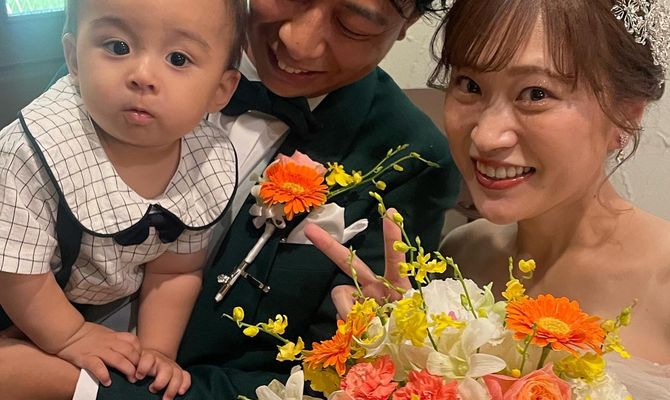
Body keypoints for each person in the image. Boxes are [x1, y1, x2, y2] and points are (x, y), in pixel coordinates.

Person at [0, 0, 461, 399]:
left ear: (406, 22)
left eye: (353, 24)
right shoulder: (125, 35)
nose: (298, 42)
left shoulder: (411, 158)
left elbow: (330, 380)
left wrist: (69, 384)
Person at [311, 0, 670, 398]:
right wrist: (395, 349)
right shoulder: (464, 254)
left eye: (536, 93)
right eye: (470, 85)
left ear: (627, 115)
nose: (485, 136)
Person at [0, 0, 244, 398]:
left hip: (83, 308)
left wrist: (156, 352)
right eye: (118, 47)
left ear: (221, 89)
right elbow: (16, 274)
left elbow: (174, 271)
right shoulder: (33, 150)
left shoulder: (204, 160)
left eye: (178, 58)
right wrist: (70, 335)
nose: (143, 76)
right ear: (73, 58)